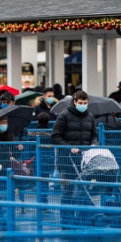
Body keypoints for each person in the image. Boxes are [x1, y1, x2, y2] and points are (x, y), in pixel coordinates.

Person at [51, 90, 98, 228]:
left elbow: (94, 135)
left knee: (84, 189)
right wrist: (69, 147)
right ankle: (66, 220)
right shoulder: (64, 116)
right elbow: (55, 136)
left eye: (85, 103)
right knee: (69, 190)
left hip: (85, 159)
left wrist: (93, 144)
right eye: (80, 103)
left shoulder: (90, 117)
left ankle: (83, 219)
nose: (83, 105)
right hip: (67, 159)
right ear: (75, 102)